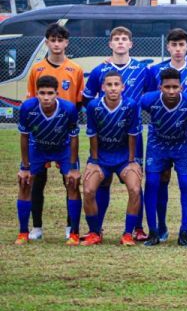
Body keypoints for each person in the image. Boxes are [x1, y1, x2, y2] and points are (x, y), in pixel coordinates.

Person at [83, 26, 152, 241]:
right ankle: (97, 229)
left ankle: (136, 228)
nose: (120, 42)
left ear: (131, 44)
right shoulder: (99, 70)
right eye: (116, 39)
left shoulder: (143, 69)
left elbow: (151, 97)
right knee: (102, 182)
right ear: (110, 44)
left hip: (132, 136)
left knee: (135, 182)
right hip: (105, 137)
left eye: (124, 39)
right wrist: (104, 118)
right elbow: (87, 99)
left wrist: (136, 113)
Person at [26, 23, 84, 241]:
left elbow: (78, 102)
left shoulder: (75, 70)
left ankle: (71, 227)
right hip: (40, 135)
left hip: (65, 137)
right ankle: (37, 227)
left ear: (66, 43)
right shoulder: (37, 69)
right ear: (47, 42)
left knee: (70, 181)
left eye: (60, 40)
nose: (57, 44)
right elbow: (32, 101)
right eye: (53, 40)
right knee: (36, 181)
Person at [16, 75, 81, 245]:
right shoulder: (27, 107)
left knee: (73, 183)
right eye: (42, 93)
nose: (46, 97)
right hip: (37, 148)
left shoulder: (69, 109)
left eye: (50, 93)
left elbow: (74, 138)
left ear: (57, 94)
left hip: (63, 148)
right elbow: (24, 137)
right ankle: (23, 232)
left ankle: (74, 232)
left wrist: (73, 167)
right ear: (36, 93)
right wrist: (25, 167)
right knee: (24, 183)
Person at [81, 71, 143, 246]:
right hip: (101, 158)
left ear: (123, 87)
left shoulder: (130, 105)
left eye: (116, 84)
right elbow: (92, 135)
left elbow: (133, 135)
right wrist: (94, 162)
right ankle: (95, 232)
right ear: (102, 87)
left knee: (135, 189)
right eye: (109, 84)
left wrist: (132, 161)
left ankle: (128, 234)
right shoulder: (94, 106)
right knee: (88, 191)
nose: (113, 88)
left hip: (124, 158)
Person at [140, 68, 187, 247]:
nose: (172, 91)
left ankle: (184, 232)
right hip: (158, 145)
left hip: (184, 146)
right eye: (167, 87)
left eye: (175, 87)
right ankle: (154, 231)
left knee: (186, 184)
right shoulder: (148, 100)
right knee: (152, 183)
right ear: (160, 87)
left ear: (181, 87)